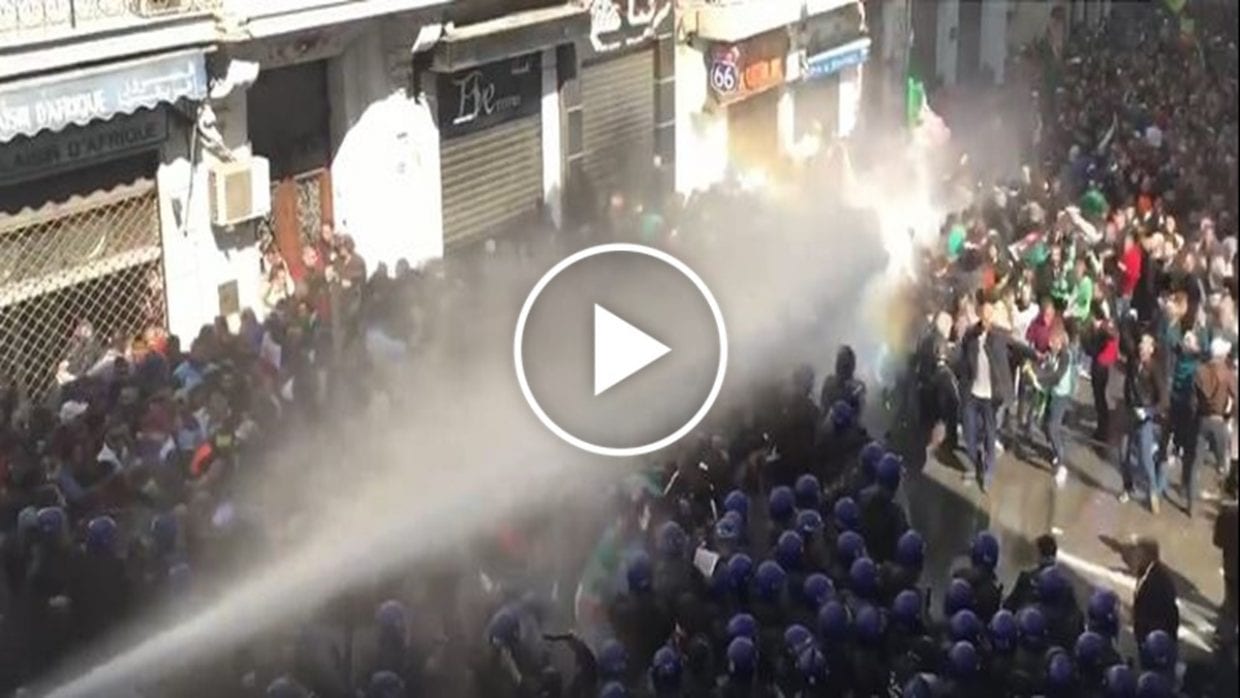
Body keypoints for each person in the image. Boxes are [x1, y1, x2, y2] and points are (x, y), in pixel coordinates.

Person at [958, 295, 1034, 490]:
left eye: (989, 317)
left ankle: (988, 471)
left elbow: (1018, 346)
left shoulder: (999, 336)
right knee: (970, 433)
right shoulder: (970, 335)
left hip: (991, 395)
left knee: (990, 433)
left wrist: (1037, 356)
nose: (986, 320)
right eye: (983, 316)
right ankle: (976, 463)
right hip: (973, 392)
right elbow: (963, 358)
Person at [1124, 333, 1169, 513]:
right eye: (1140, 343)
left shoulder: (1155, 370)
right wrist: (1128, 404)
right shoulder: (1133, 363)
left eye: (1145, 344)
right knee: (1123, 454)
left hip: (1146, 417)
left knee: (1144, 456)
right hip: (1131, 412)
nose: (1141, 346)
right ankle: (1128, 487)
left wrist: (1148, 411)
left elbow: (1164, 400)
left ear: (1151, 349)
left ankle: (1152, 491)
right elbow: (1128, 384)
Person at [1130, 537, 1180, 647]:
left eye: (1139, 555)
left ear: (1149, 556)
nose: (1135, 558)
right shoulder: (1144, 572)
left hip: (1155, 639)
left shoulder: (1158, 581)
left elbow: (1167, 614)